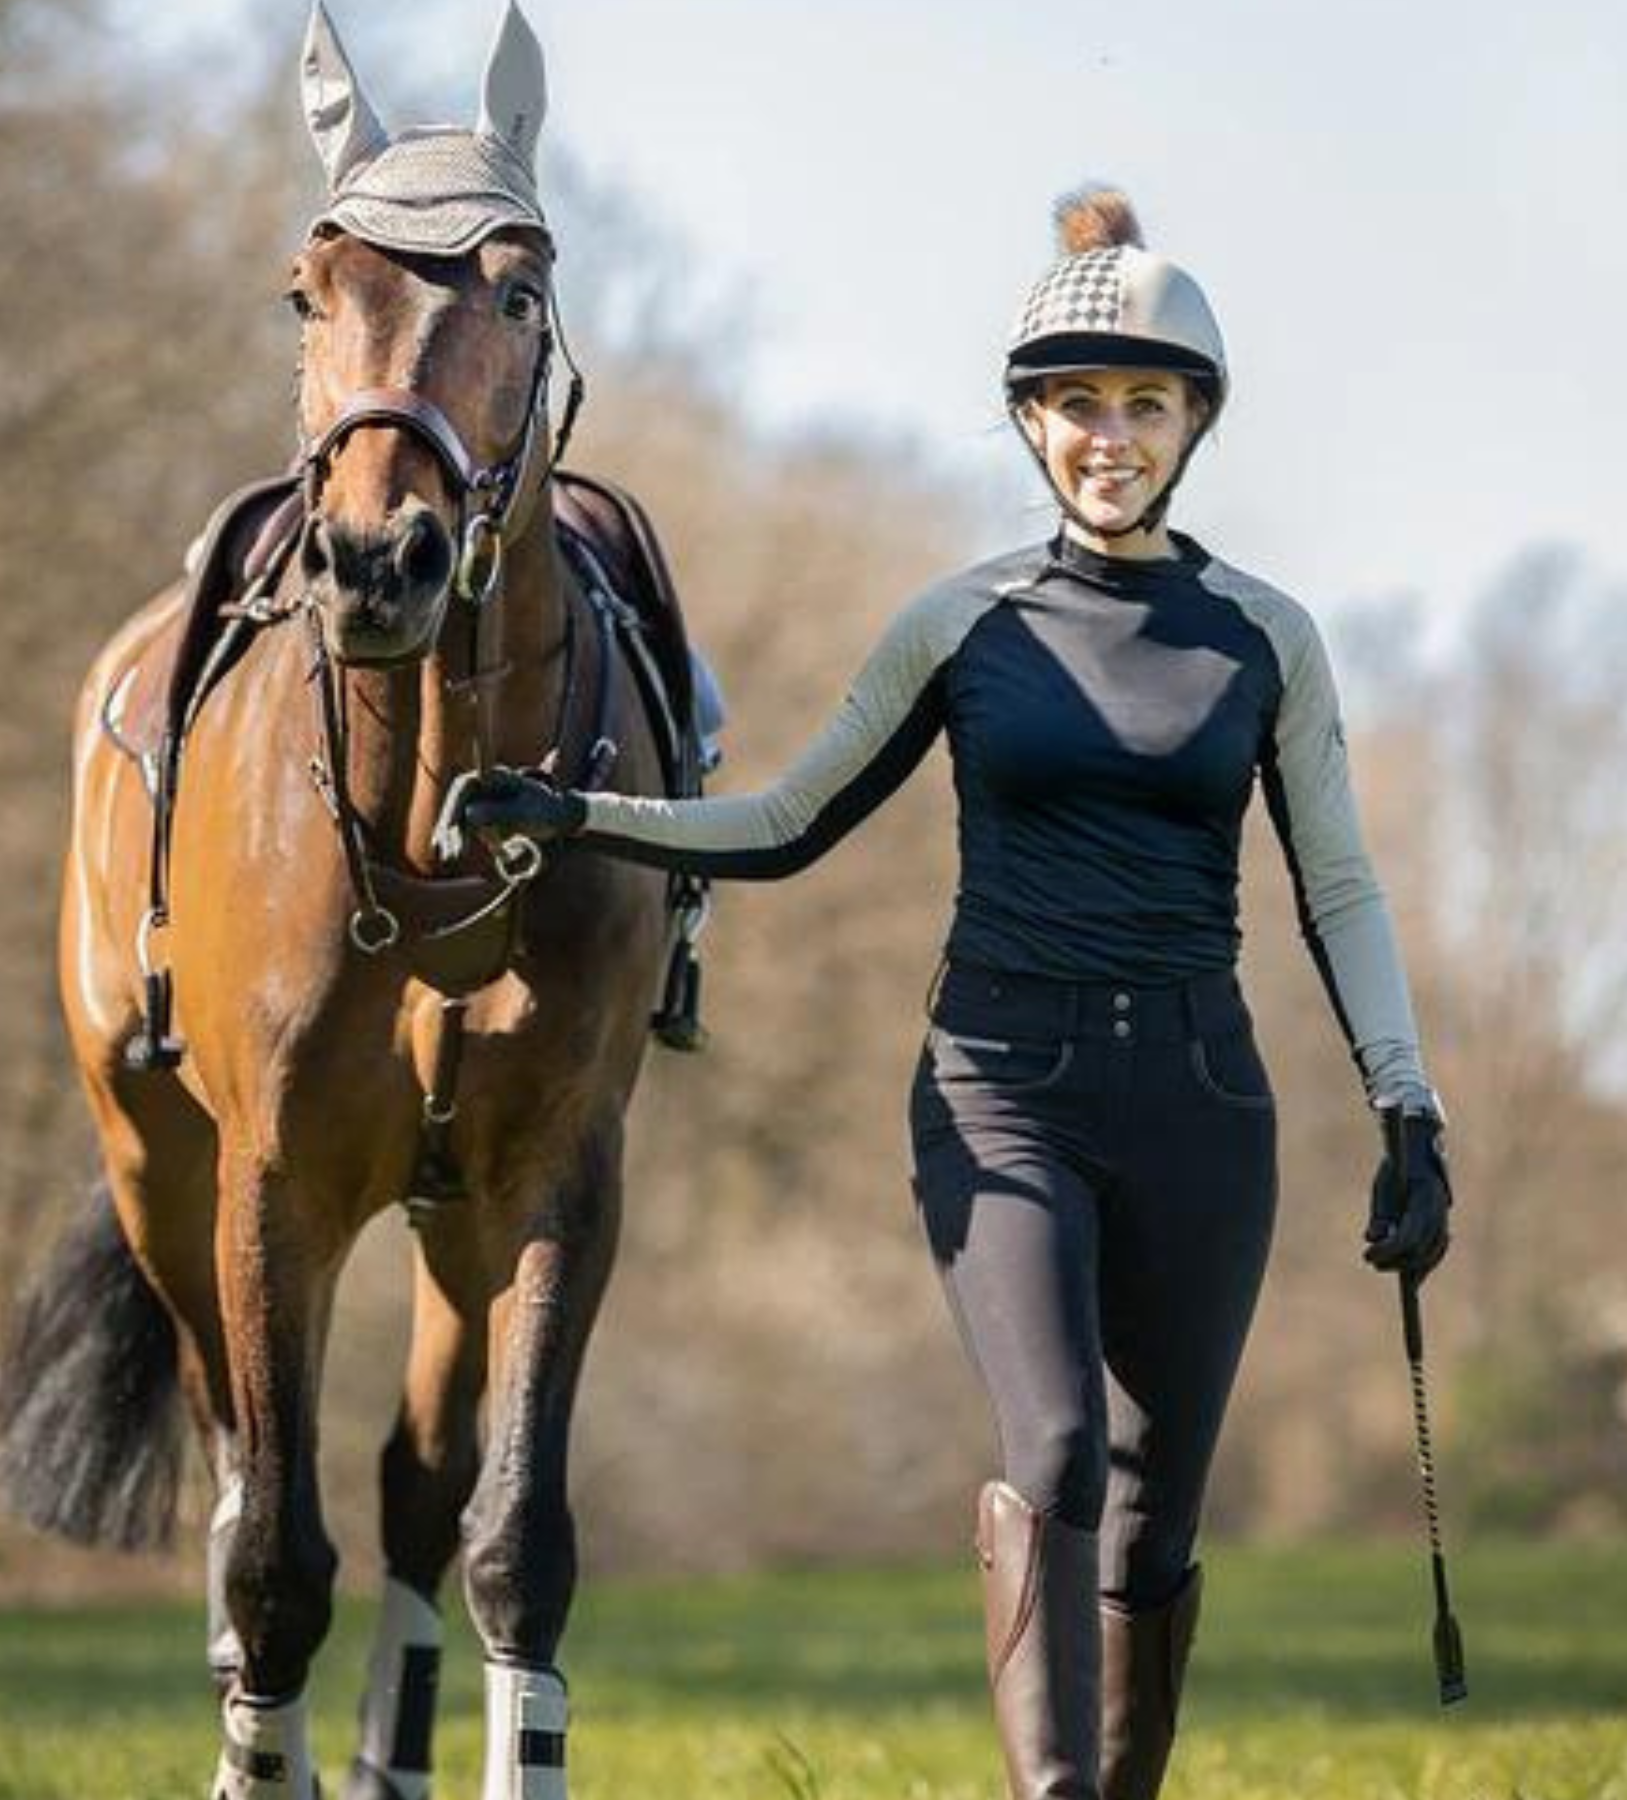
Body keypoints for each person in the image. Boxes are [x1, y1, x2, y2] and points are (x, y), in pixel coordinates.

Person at [460, 186, 1452, 1800]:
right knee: (1055, 1446)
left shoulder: (1265, 638)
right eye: (1076, 407)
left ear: (1193, 421)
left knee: (1155, 1505)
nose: (1108, 436)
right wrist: (582, 813)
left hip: (1202, 1097)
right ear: (1031, 425)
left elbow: (1337, 883)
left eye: (1142, 404)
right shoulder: (964, 624)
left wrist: (1407, 1103)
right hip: (1002, 1086)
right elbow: (786, 819)